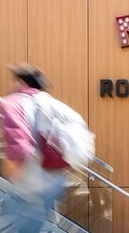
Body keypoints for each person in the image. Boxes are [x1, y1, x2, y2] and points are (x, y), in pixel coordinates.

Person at [0, 63, 67, 232]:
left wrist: (11, 171)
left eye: (15, 81)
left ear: (21, 82)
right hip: (54, 182)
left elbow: (19, 145)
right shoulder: (50, 103)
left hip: (30, 186)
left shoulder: (15, 102)